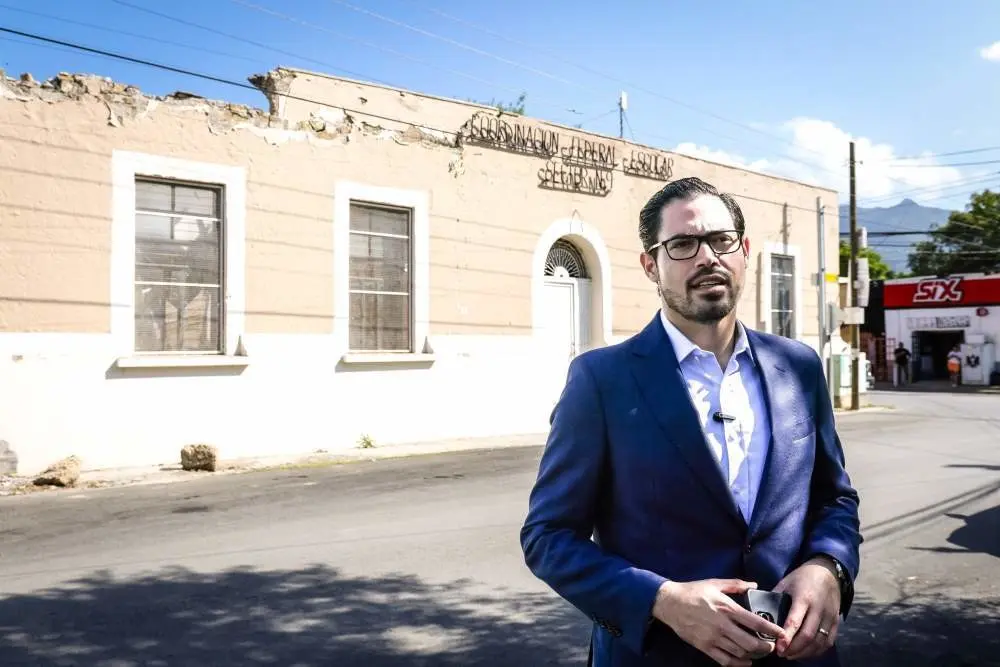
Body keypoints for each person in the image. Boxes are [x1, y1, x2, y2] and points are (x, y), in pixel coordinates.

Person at [520, 177, 862, 667]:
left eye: (721, 240)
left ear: (743, 250)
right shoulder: (601, 380)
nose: (707, 258)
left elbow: (835, 497)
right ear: (650, 266)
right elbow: (548, 536)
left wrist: (828, 565)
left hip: (795, 654)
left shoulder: (800, 366)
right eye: (682, 244)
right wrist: (660, 600)